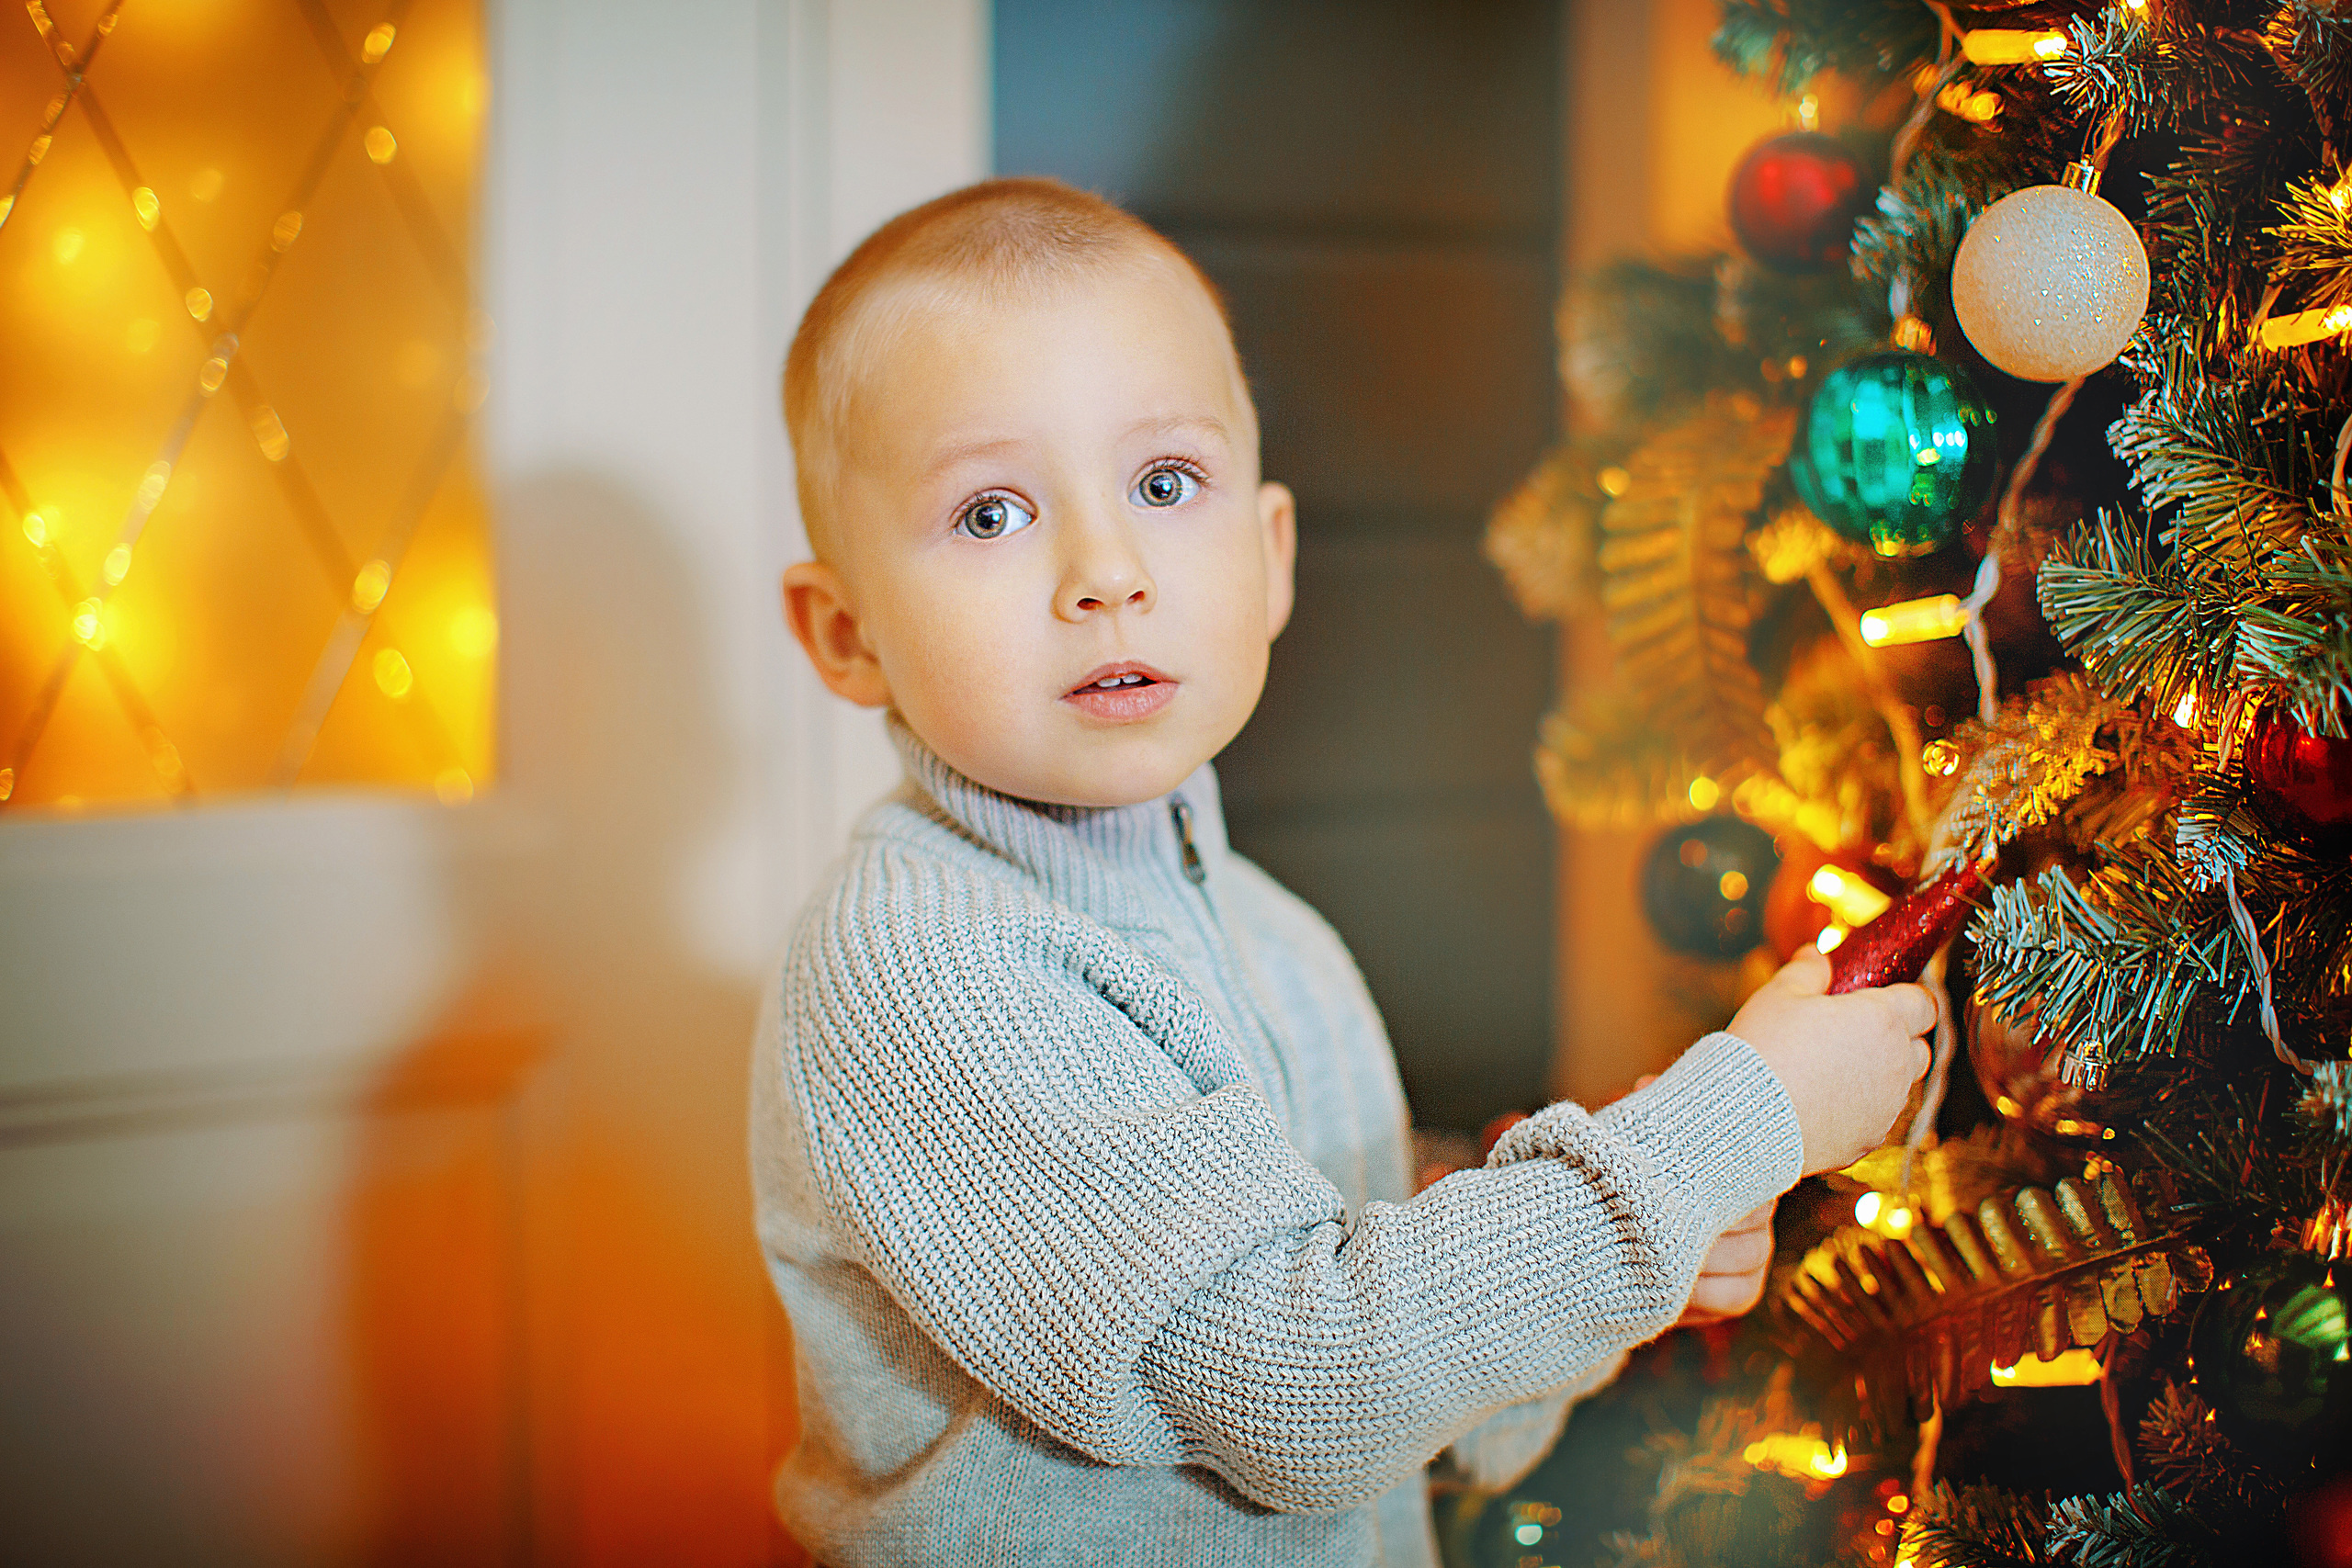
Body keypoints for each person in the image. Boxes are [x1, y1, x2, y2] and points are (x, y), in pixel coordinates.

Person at [753, 177, 1935, 1568]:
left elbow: (1429, 1416)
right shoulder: (923, 965)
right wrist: (1737, 1122)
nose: (1106, 570)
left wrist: (1624, 1274)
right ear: (846, 637)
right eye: (992, 514)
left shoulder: (1279, 941)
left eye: (1162, 482)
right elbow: (1302, 1388)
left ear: (1269, 559)